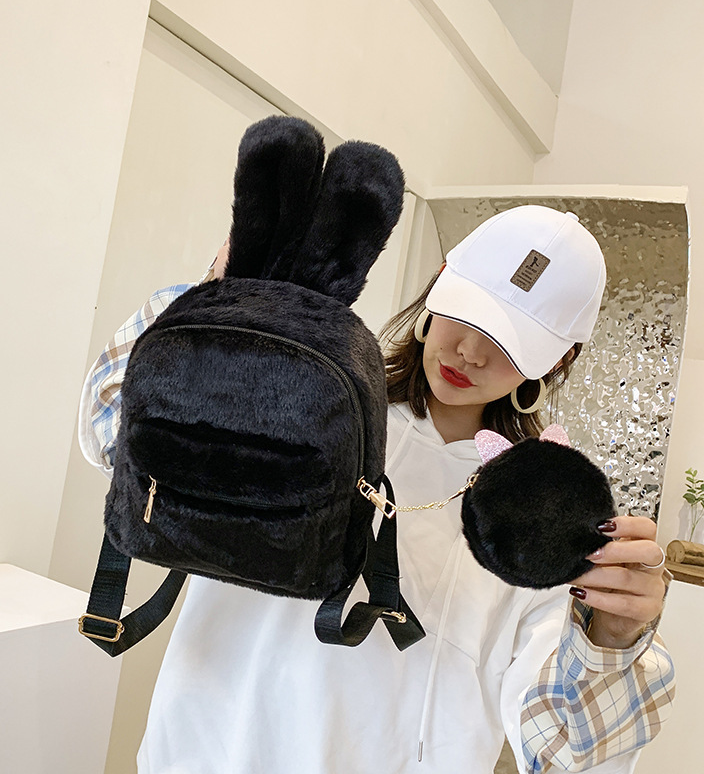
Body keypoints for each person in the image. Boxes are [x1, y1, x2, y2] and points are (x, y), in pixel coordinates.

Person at [79, 205, 674, 773]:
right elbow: (119, 438)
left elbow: (557, 748)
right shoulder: (313, 395)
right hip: (206, 751)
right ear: (438, 284)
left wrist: (614, 641)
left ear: (558, 361)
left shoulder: (539, 514)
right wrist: (217, 300)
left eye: (511, 342)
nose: (470, 352)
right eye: (466, 314)